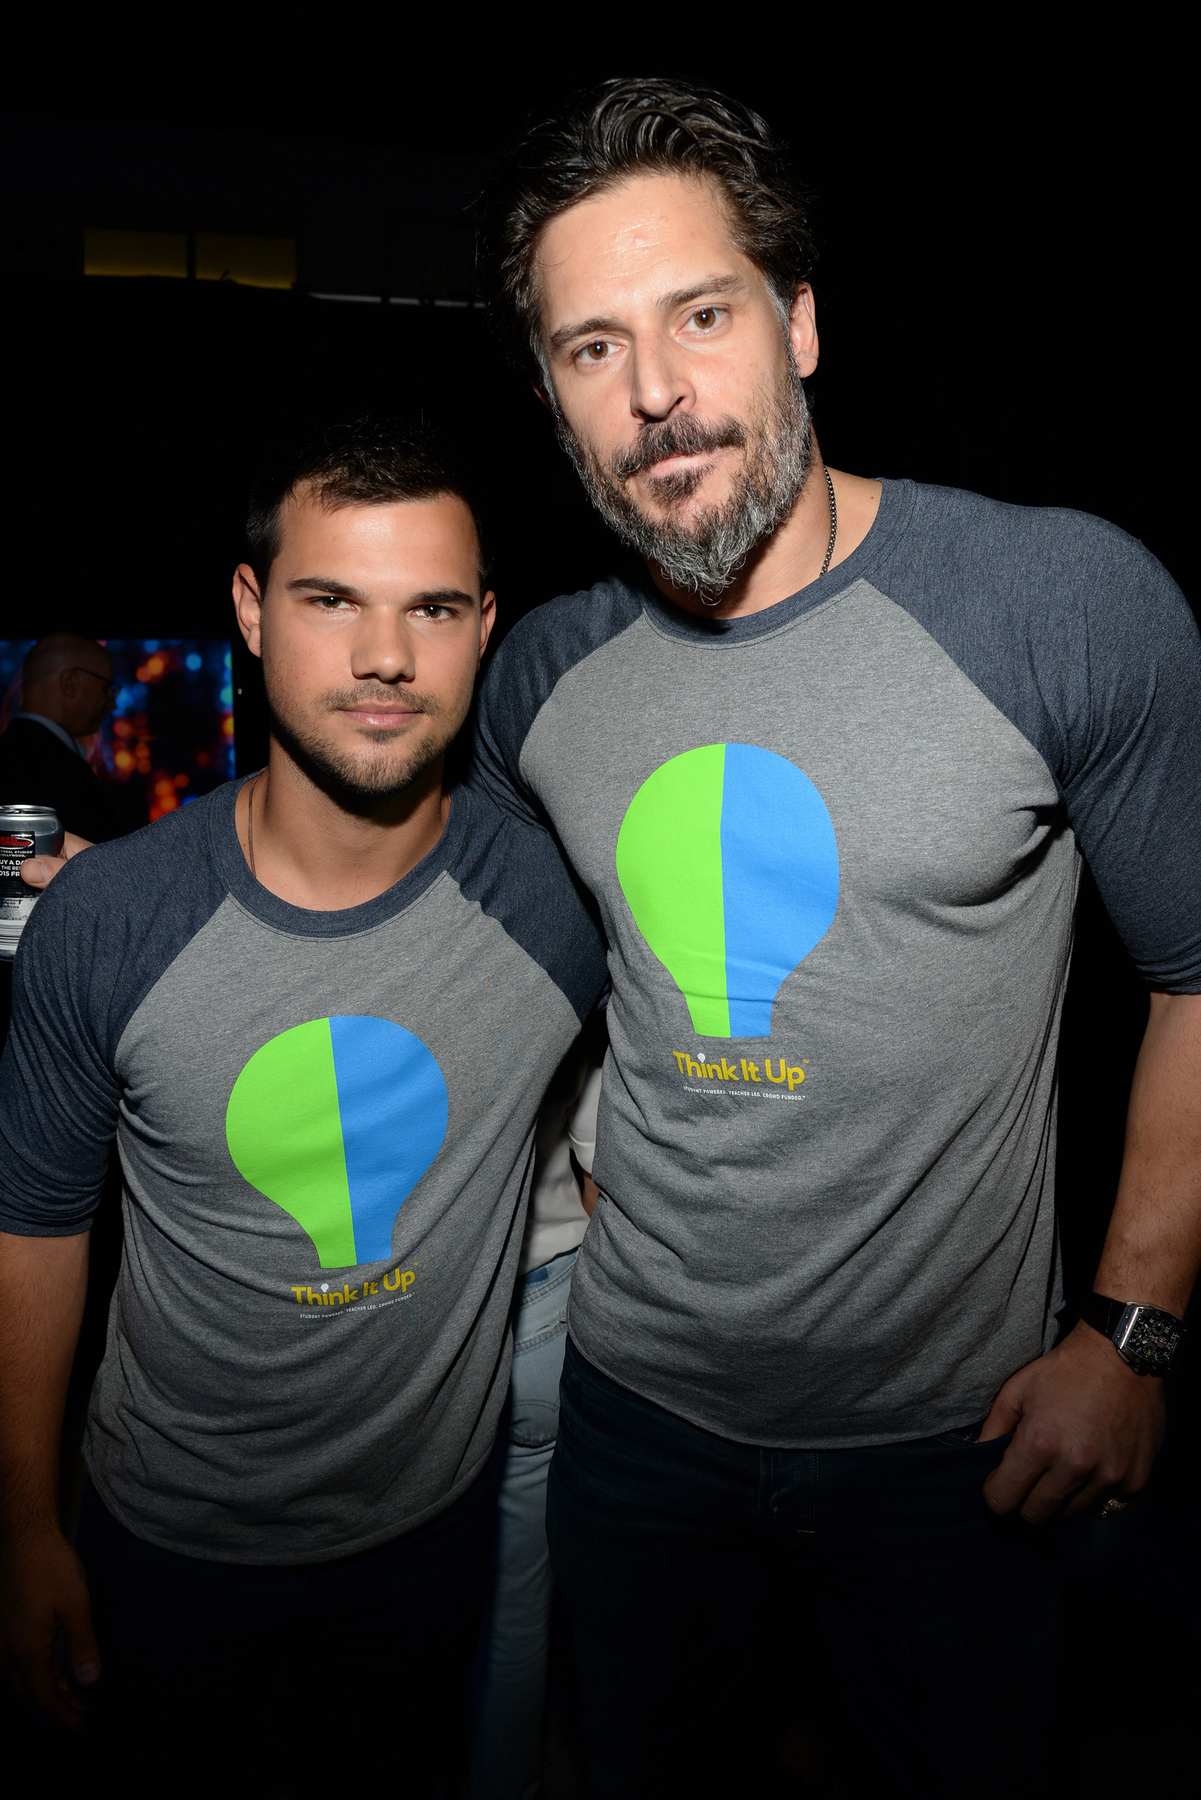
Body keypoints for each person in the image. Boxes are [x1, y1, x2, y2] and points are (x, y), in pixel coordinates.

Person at [469, 78, 1201, 1798]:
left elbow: (1193, 980)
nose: (655, 393)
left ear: (796, 324)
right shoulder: (538, 681)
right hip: (634, 1429)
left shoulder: (1062, 605)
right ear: (555, 403)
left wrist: (1131, 1337)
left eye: (700, 316)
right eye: (590, 350)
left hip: (957, 1454)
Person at [0, 420, 606, 1799]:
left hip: (432, 1545)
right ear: (252, 611)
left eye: (432, 609)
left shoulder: (555, 905)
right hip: (162, 1548)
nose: (385, 657)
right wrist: (25, 1526)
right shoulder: (111, 918)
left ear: (481, 628)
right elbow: (31, 1231)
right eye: (333, 601)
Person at [0, 633, 126, 842]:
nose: (113, 704)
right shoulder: (62, 775)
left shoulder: (13, 755)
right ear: (69, 684)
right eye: (107, 689)